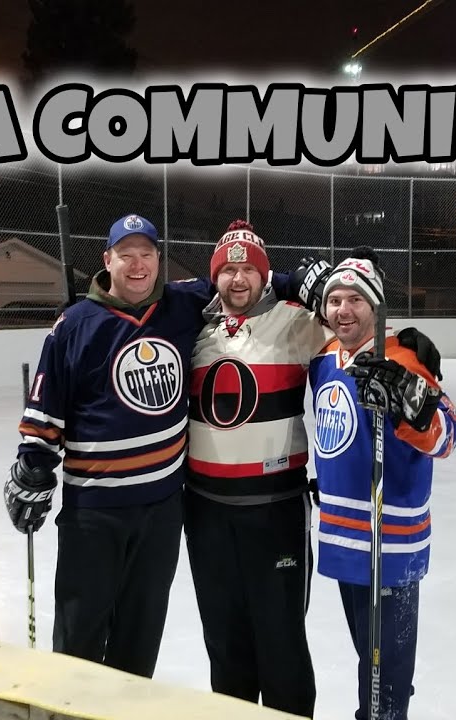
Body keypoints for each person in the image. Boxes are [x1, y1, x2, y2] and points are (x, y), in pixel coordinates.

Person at [2, 213, 330, 678]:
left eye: (147, 255)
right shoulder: (74, 325)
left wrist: (297, 278)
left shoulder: (180, 304)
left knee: (140, 642)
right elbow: (45, 410)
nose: (138, 265)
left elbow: (242, 275)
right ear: (106, 260)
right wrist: (32, 467)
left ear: (159, 260)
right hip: (94, 513)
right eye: (126, 255)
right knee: (80, 642)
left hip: (162, 511)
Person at [183, 220, 330, 716]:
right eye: (227, 269)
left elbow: (356, 332)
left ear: (264, 275)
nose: (237, 278)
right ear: (214, 278)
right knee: (224, 642)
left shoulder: (294, 321)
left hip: (275, 511)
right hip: (205, 514)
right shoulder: (195, 331)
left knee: (281, 642)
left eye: (248, 268)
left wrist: (400, 348)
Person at [307, 248, 456, 720]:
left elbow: (448, 435)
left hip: (389, 543)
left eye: (356, 299)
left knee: (386, 675)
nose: (344, 310)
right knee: (367, 659)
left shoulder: (403, 360)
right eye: (334, 300)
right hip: (343, 536)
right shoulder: (323, 359)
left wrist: (412, 402)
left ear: (376, 308)